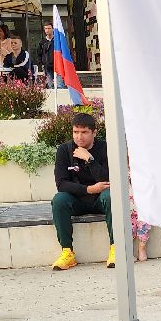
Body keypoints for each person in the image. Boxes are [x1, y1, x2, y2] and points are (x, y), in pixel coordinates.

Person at [51, 112, 114, 270]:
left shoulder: (105, 148)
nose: (79, 137)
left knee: (111, 196)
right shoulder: (64, 150)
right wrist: (89, 189)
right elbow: (61, 184)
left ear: (94, 132)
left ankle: (116, 248)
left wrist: (90, 160)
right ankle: (67, 252)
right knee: (59, 200)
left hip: (101, 199)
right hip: (77, 200)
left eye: (84, 132)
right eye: (76, 132)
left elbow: (107, 179)